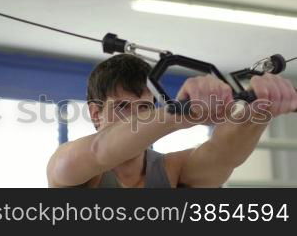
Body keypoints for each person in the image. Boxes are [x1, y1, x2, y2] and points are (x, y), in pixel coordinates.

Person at [47, 54, 297, 188]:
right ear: (95, 113)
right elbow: (99, 150)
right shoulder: (69, 165)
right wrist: (180, 113)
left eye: (144, 107)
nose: (136, 117)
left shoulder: (172, 171)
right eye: (122, 107)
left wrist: (260, 111)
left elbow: (223, 154)